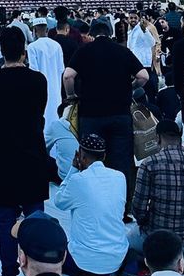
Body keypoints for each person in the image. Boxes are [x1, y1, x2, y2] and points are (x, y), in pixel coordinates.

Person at [0, 26, 50, 276]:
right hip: (32, 150)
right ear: (24, 50)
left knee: (5, 219)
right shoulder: (38, 80)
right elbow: (39, 111)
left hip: (2, 154)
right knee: (34, 215)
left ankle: (9, 272)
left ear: (1, 50)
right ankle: (40, 268)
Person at [62, 15, 148, 181]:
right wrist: (129, 88)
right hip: (120, 114)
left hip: (91, 115)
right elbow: (143, 76)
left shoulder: (84, 50)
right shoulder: (123, 51)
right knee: (121, 163)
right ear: (110, 33)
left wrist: (71, 95)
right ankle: (122, 199)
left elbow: (68, 76)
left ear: (92, 35)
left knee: (90, 161)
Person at [131, 121, 184, 267]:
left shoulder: (149, 164)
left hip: (157, 239)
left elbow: (138, 210)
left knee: (129, 238)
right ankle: (183, 262)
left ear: (157, 138)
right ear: (179, 139)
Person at [54, 134, 133, 276]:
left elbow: (59, 201)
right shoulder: (120, 177)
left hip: (82, 263)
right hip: (117, 260)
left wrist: (73, 169)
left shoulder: (78, 180)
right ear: (104, 156)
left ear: (81, 157)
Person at [27, 16, 66, 119]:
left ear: (34, 31)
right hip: (56, 88)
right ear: (47, 30)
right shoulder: (57, 45)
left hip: (40, 89)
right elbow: (61, 69)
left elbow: (33, 71)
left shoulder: (32, 47)